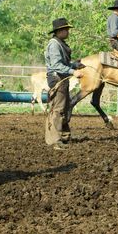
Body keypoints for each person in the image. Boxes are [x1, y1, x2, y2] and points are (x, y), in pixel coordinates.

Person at [44, 18, 85, 150]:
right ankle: (55, 140)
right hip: (57, 79)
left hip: (61, 78)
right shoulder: (54, 44)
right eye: (66, 29)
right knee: (58, 109)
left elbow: (62, 64)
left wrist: (75, 65)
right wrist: (73, 71)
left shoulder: (59, 43)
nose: (68, 31)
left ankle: (64, 136)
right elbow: (56, 65)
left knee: (64, 107)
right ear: (59, 31)